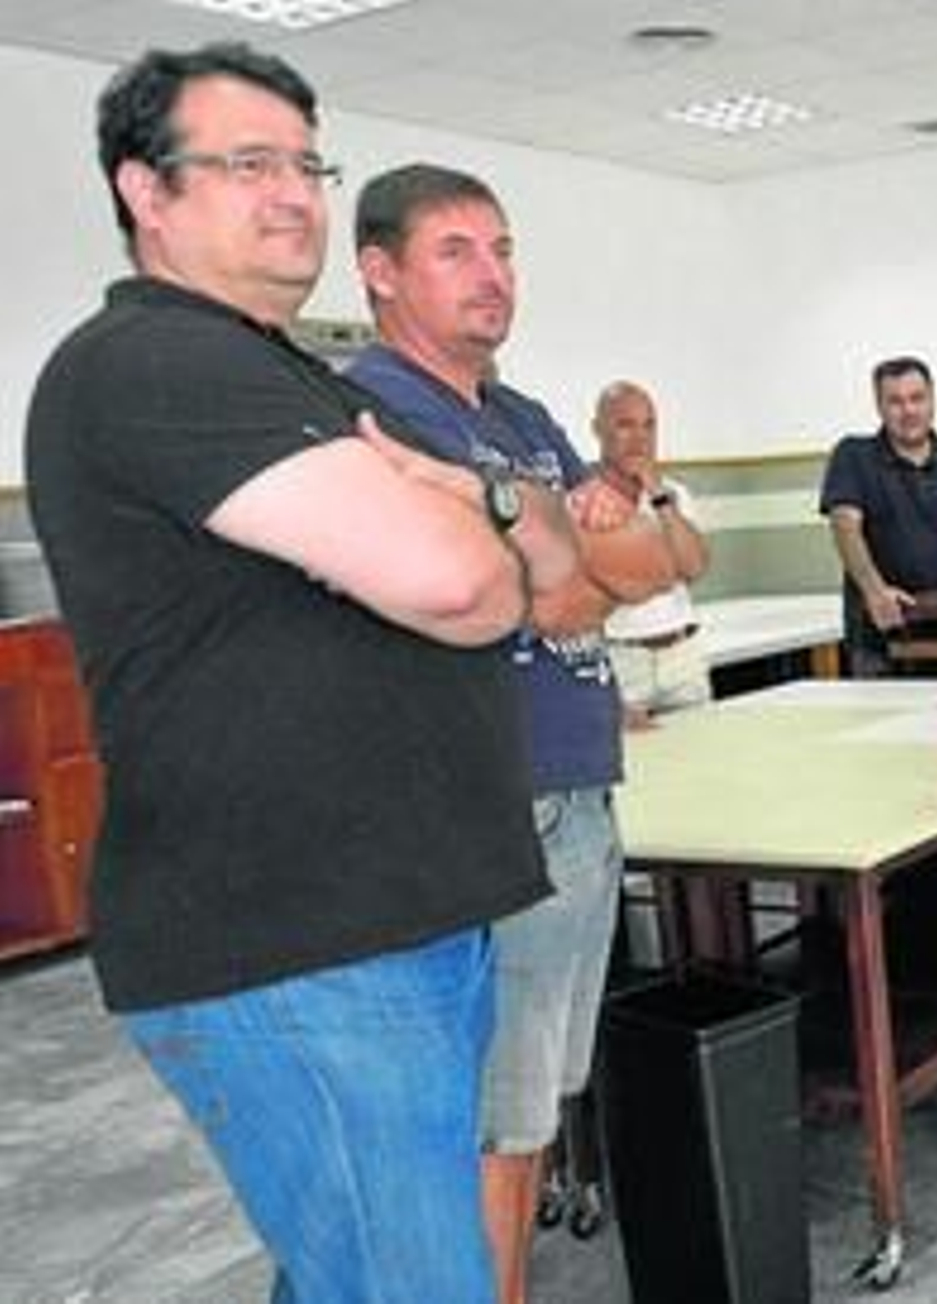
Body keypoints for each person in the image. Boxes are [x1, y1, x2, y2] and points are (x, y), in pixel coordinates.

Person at [25, 43, 576, 1302]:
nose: (295, 195)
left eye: (308, 165)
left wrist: (476, 512)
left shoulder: (285, 378)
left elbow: (528, 566)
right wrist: (478, 529)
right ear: (145, 192)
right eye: (247, 163)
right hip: (301, 948)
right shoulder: (155, 365)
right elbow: (472, 586)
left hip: (387, 931)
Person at [346, 162, 677, 1304]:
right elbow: (492, 588)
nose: (492, 275)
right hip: (490, 807)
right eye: (455, 251)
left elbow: (637, 569)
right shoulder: (376, 411)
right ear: (379, 270)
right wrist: (562, 548)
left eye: (503, 248)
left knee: (529, 1110)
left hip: (578, 794)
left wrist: (559, 552)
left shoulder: (523, 415)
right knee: (489, 1123)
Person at [820, 356, 937, 678]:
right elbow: (845, 525)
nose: (909, 411)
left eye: (917, 398)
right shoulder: (853, 455)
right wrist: (875, 590)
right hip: (878, 632)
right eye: (895, 401)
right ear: (879, 406)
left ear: (932, 399)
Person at [594, 380, 713, 727]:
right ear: (598, 430)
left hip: (682, 654)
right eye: (625, 425)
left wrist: (657, 494)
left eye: (649, 425)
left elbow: (692, 568)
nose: (639, 437)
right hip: (623, 660)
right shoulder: (582, 498)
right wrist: (659, 568)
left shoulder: (674, 494)